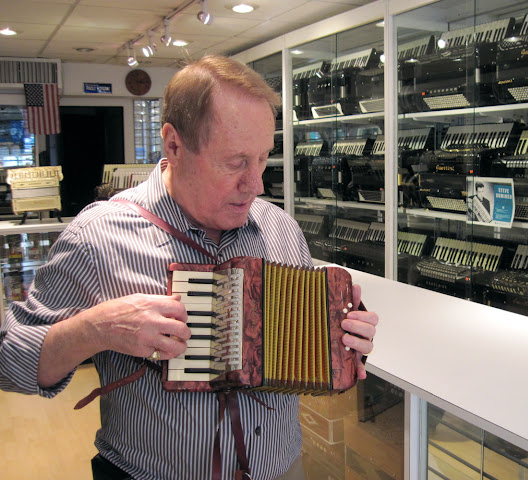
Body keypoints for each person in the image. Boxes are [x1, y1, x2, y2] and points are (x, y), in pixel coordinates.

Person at [0, 55, 377, 480]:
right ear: (174, 145)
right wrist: (97, 329)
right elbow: (7, 359)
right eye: (235, 162)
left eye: (263, 159)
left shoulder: (281, 229)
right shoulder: (97, 236)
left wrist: (346, 339)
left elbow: (307, 343)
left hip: (282, 467)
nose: (255, 185)